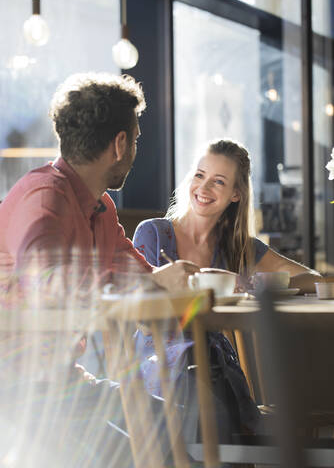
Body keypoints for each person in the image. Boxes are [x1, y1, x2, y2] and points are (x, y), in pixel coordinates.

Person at [0, 72, 199, 466]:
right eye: (137, 139)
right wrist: (149, 289)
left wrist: (173, 291)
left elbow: (139, 278)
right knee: (137, 455)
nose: (136, 148)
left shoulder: (100, 208)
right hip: (18, 390)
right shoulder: (43, 196)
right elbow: (48, 283)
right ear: (119, 144)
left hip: (62, 380)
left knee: (169, 419)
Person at [133, 139, 322, 434]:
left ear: (236, 194)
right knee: (202, 390)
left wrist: (247, 283)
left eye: (218, 182)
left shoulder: (239, 249)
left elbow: (314, 279)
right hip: (155, 367)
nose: (203, 189)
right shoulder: (153, 234)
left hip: (212, 372)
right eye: (200, 175)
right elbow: (142, 322)